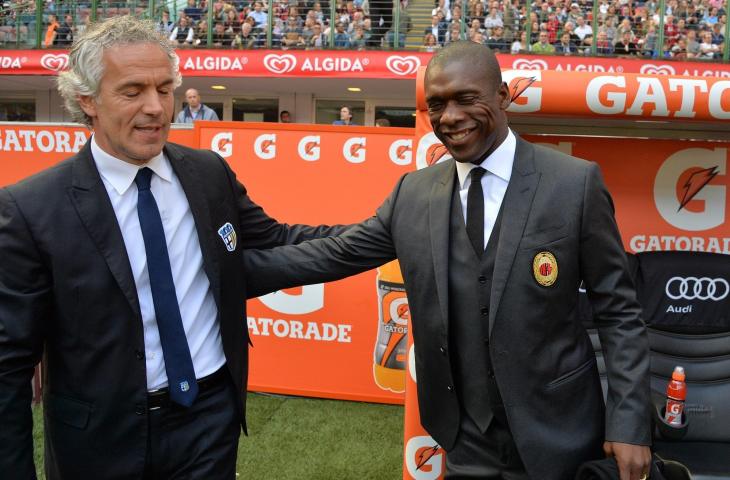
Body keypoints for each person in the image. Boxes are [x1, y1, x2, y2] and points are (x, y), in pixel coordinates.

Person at [244, 41, 652, 480]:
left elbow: (619, 312)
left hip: (562, 432)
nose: (450, 117)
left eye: (466, 98)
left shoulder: (574, 184)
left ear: (503, 96)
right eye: (437, 104)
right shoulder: (413, 193)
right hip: (465, 438)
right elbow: (338, 251)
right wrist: (219, 273)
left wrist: (629, 424)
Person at [0, 16, 344, 479]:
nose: (156, 107)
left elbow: (279, 240)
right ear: (88, 101)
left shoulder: (207, 174)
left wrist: (390, 228)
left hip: (208, 419)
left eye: (165, 89)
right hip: (100, 442)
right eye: (133, 91)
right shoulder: (29, 208)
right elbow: (8, 368)